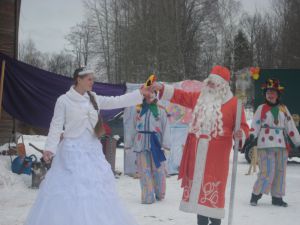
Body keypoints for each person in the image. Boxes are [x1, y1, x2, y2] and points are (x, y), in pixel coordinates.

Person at [25, 67, 149, 225]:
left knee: (96, 189)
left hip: (92, 151)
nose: (93, 82)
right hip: (72, 152)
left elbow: (116, 101)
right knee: (73, 190)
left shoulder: (93, 98)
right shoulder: (64, 100)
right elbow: (56, 126)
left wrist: (139, 94)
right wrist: (49, 148)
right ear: (79, 79)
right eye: (89, 79)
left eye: (93, 79)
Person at [151, 65, 249, 225]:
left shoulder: (234, 104)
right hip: (195, 156)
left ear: (222, 86)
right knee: (197, 198)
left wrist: (241, 134)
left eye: (213, 83)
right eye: (208, 82)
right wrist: (162, 87)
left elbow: (243, 127)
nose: (209, 86)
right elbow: (181, 96)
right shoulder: (200, 98)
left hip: (216, 160)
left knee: (213, 199)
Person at [249, 78, 300, 207]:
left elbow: (290, 126)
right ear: (265, 95)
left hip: (281, 145)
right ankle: (256, 194)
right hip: (265, 143)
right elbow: (255, 124)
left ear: (278, 95)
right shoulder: (261, 108)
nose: (270, 95)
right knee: (267, 171)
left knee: (280, 171)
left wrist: (298, 142)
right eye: (268, 93)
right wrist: (251, 135)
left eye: (273, 93)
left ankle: (277, 197)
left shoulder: (283, 108)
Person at [125, 90, 170, 204]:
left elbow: (166, 127)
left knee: (158, 169)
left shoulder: (160, 110)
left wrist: (166, 144)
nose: (149, 97)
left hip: (156, 143)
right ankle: (148, 196)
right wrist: (129, 142)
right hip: (141, 143)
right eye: (147, 95)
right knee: (144, 170)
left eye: (151, 94)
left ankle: (160, 193)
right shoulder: (138, 110)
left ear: (155, 96)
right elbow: (132, 126)